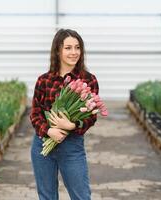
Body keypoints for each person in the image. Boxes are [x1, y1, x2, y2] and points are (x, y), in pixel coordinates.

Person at [30, 28, 99, 200]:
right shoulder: (44, 80)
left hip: (71, 146)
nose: (74, 52)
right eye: (68, 48)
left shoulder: (88, 80)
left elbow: (91, 116)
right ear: (58, 50)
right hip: (42, 145)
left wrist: (72, 125)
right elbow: (35, 113)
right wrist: (49, 131)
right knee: (47, 196)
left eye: (77, 47)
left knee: (81, 196)